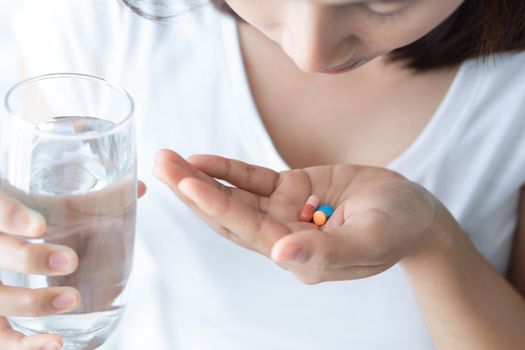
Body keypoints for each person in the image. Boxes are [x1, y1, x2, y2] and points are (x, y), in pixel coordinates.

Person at [1, 0, 524, 349]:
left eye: (385, 0)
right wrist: (27, 265)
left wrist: (432, 241)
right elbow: (67, 242)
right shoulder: (94, 17)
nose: (309, 53)